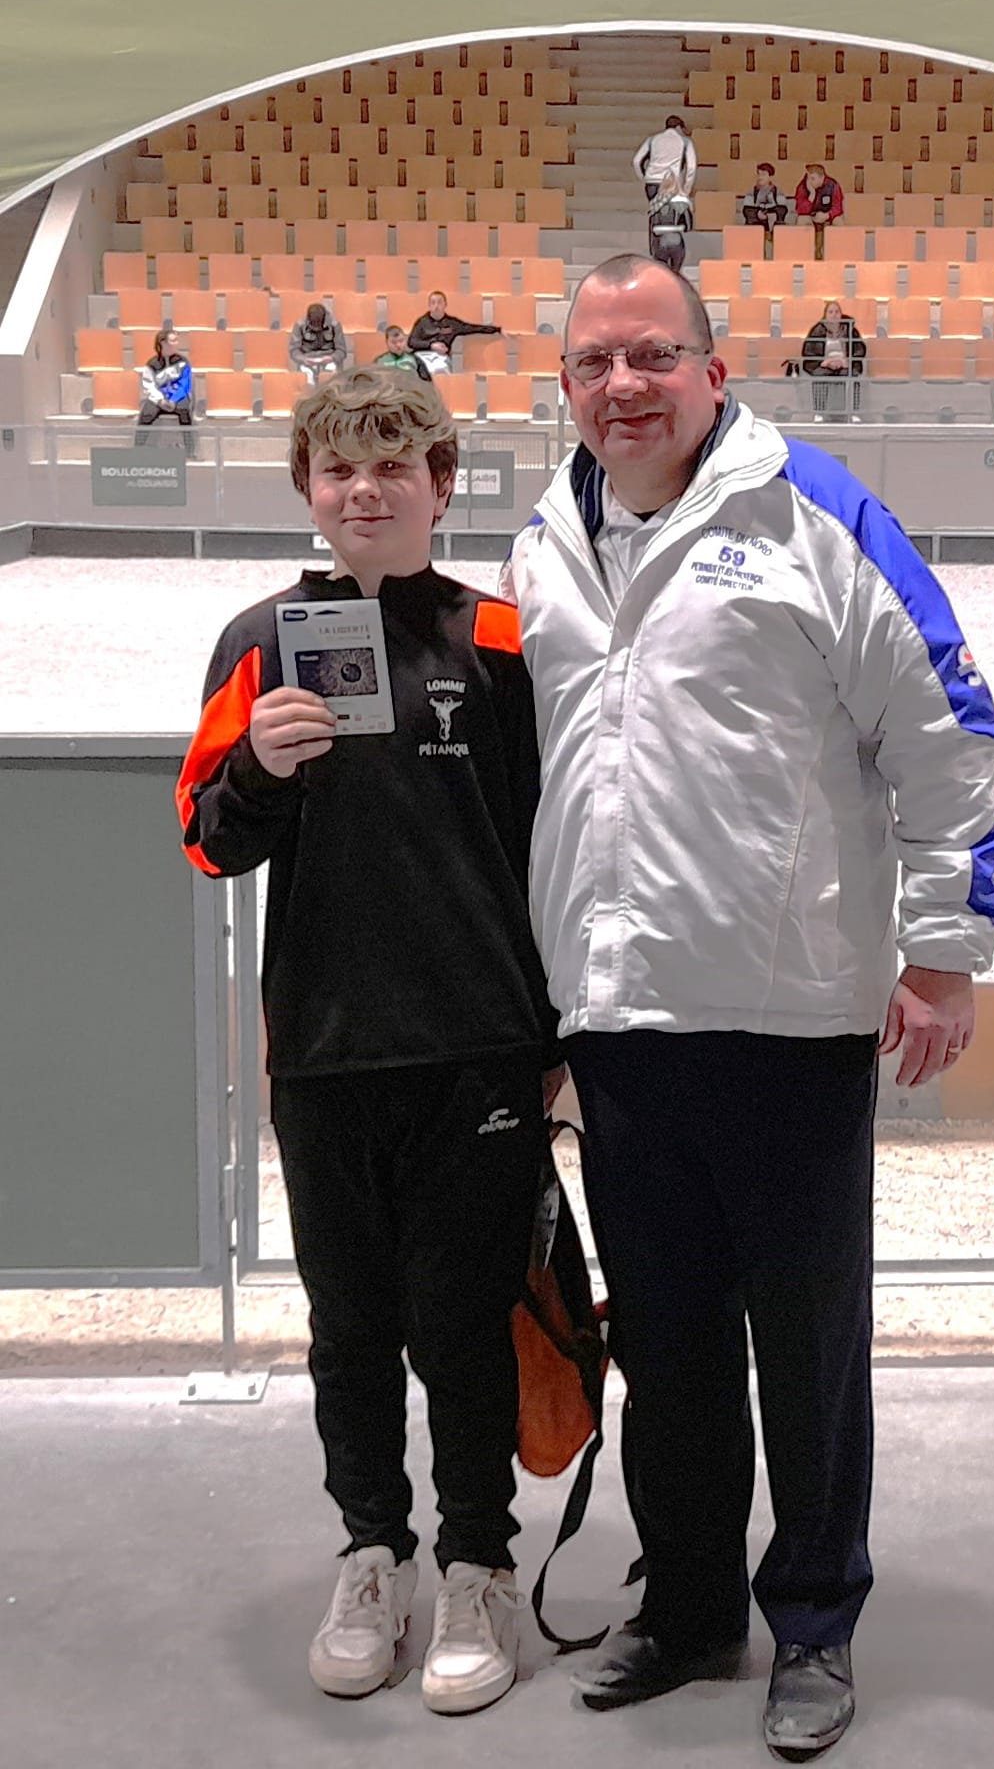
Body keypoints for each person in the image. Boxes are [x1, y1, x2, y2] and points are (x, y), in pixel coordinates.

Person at [504, 255, 994, 1759]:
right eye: (592, 363)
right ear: (566, 386)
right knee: (664, 1350)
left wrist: (941, 952)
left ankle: (814, 1621)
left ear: (714, 371)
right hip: (617, 1025)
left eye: (650, 355)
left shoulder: (814, 517)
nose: (621, 386)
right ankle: (687, 1606)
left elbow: (944, 730)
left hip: (788, 1024)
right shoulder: (541, 543)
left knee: (806, 1352)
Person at [175, 367, 563, 1718]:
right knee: (348, 1328)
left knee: (464, 1325)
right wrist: (258, 769)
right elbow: (206, 840)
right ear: (307, 488)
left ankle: (476, 1565)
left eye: (393, 465)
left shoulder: (505, 638)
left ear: (442, 484)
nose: (363, 489)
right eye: (338, 468)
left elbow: (557, 843)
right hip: (328, 1049)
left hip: (477, 1046)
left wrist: (557, 1038)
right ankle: (372, 1554)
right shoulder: (258, 641)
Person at [801, 298, 867, 419]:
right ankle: (819, 413)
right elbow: (808, 351)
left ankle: (853, 412)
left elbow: (860, 349)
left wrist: (847, 361)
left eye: (837, 312)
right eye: (830, 312)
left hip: (845, 363)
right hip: (824, 363)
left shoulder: (850, 329)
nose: (834, 314)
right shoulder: (817, 330)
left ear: (841, 314)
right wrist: (824, 362)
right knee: (819, 375)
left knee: (852, 376)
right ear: (825, 315)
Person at [407, 291, 501, 375]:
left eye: (439, 302)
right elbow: (411, 342)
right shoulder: (422, 322)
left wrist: (497, 329)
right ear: (429, 305)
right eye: (433, 303)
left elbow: (472, 328)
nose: (436, 306)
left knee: (440, 370)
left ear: (445, 304)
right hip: (421, 356)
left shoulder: (452, 323)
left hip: (441, 358)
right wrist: (431, 345)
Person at [135, 327, 194, 449]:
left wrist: (173, 400)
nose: (176, 343)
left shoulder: (183, 362)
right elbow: (148, 385)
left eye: (177, 340)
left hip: (178, 399)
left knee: (185, 412)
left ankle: (190, 451)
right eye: (173, 341)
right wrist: (160, 400)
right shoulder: (151, 364)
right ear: (163, 343)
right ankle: (137, 449)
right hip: (159, 400)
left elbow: (185, 384)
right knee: (146, 414)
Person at [632, 114, 696, 204]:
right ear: (678, 127)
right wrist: (686, 189)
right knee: (675, 210)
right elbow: (691, 167)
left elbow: (636, 161)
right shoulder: (685, 142)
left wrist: (644, 177)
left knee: (654, 208)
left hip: (652, 182)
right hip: (672, 183)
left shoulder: (652, 139)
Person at [646, 169, 694, 276]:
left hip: (660, 242)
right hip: (676, 241)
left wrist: (651, 250)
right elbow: (689, 226)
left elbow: (651, 228)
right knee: (675, 274)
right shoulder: (682, 202)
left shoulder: (655, 204)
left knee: (662, 274)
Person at [288, 302, 349, 385]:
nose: (316, 325)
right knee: (306, 380)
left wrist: (332, 358)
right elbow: (294, 350)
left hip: (329, 358)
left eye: (318, 322)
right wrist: (303, 359)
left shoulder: (335, 325)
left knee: (331, 377)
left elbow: (341, 350)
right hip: (307, 358)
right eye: (314, 322)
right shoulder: (300, 325)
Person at [793, 163, 845, 260]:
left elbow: (838, 207)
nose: (809, 181)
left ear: (822, 177)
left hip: (828, 216)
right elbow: (800, 209)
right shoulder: (802, 186)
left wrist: (827, 215)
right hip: (811, 216)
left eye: (813, 178)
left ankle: (837, 256)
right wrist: (811, 195)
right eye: (808, 178)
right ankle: (804, 255)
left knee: (839, 221)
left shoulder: (833, 185)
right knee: (801, 220)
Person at [740, 162, 789, 233]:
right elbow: (747, 210)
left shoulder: (778, 191)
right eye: (759, 174)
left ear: (770, 177)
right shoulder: (752, 191)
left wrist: (769, 215)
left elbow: (782, 209)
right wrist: (757, 213)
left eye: (763, 174)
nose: (760, 177)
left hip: (772, 221)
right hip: (756, 222)